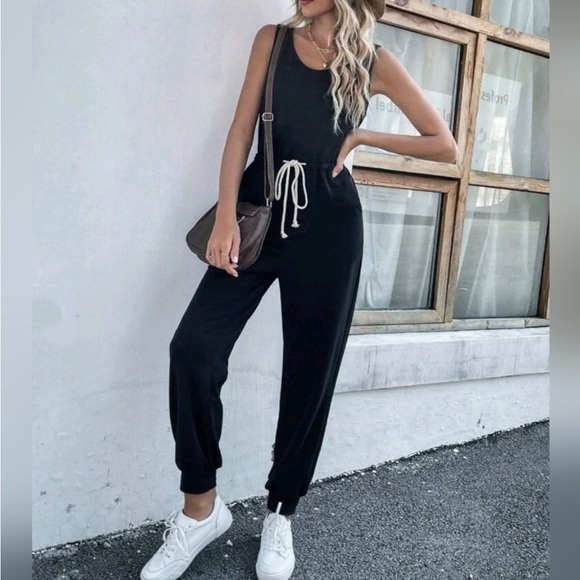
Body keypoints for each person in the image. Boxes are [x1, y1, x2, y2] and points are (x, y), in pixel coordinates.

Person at [140, 1, 457, 579]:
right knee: (193, 349)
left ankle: (281, 511)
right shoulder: (273, 40)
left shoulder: (375, 61)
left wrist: (362, 136)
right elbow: (241, 130)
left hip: (331, 228)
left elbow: (445, 145)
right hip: (259, 214)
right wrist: (226, 217)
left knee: (310, 375)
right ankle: (201, 508)